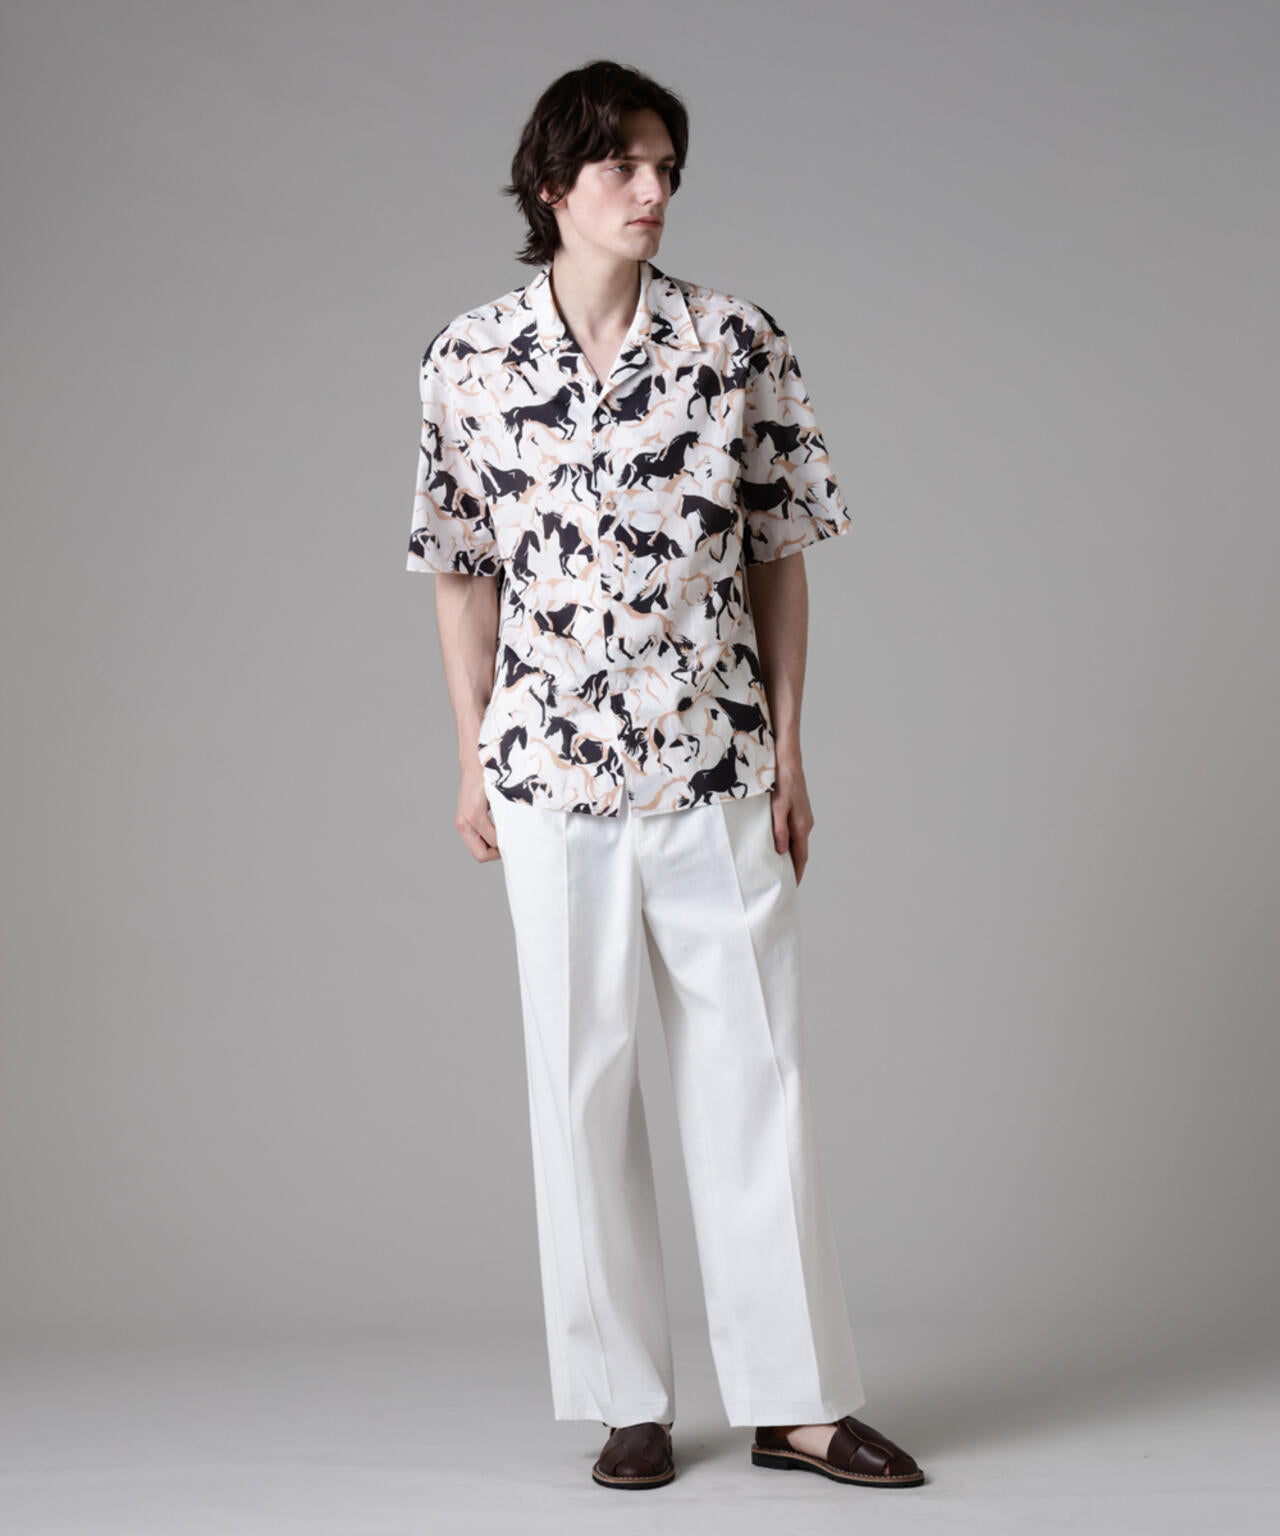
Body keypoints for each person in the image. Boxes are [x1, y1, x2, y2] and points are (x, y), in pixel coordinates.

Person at [405, 58, 926, 1492]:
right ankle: (626, 1400)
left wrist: (792, 751)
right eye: (624, 165)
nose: (653, 191)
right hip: (547, 774)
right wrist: (471, 755)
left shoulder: (735, 340)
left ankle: (796, 1403)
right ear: (551, 184)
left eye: (666, 168)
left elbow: (780, 554)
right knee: (579, 1081)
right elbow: (460, 570)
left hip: (715, 762)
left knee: (757, 1074)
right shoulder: (468, 359)